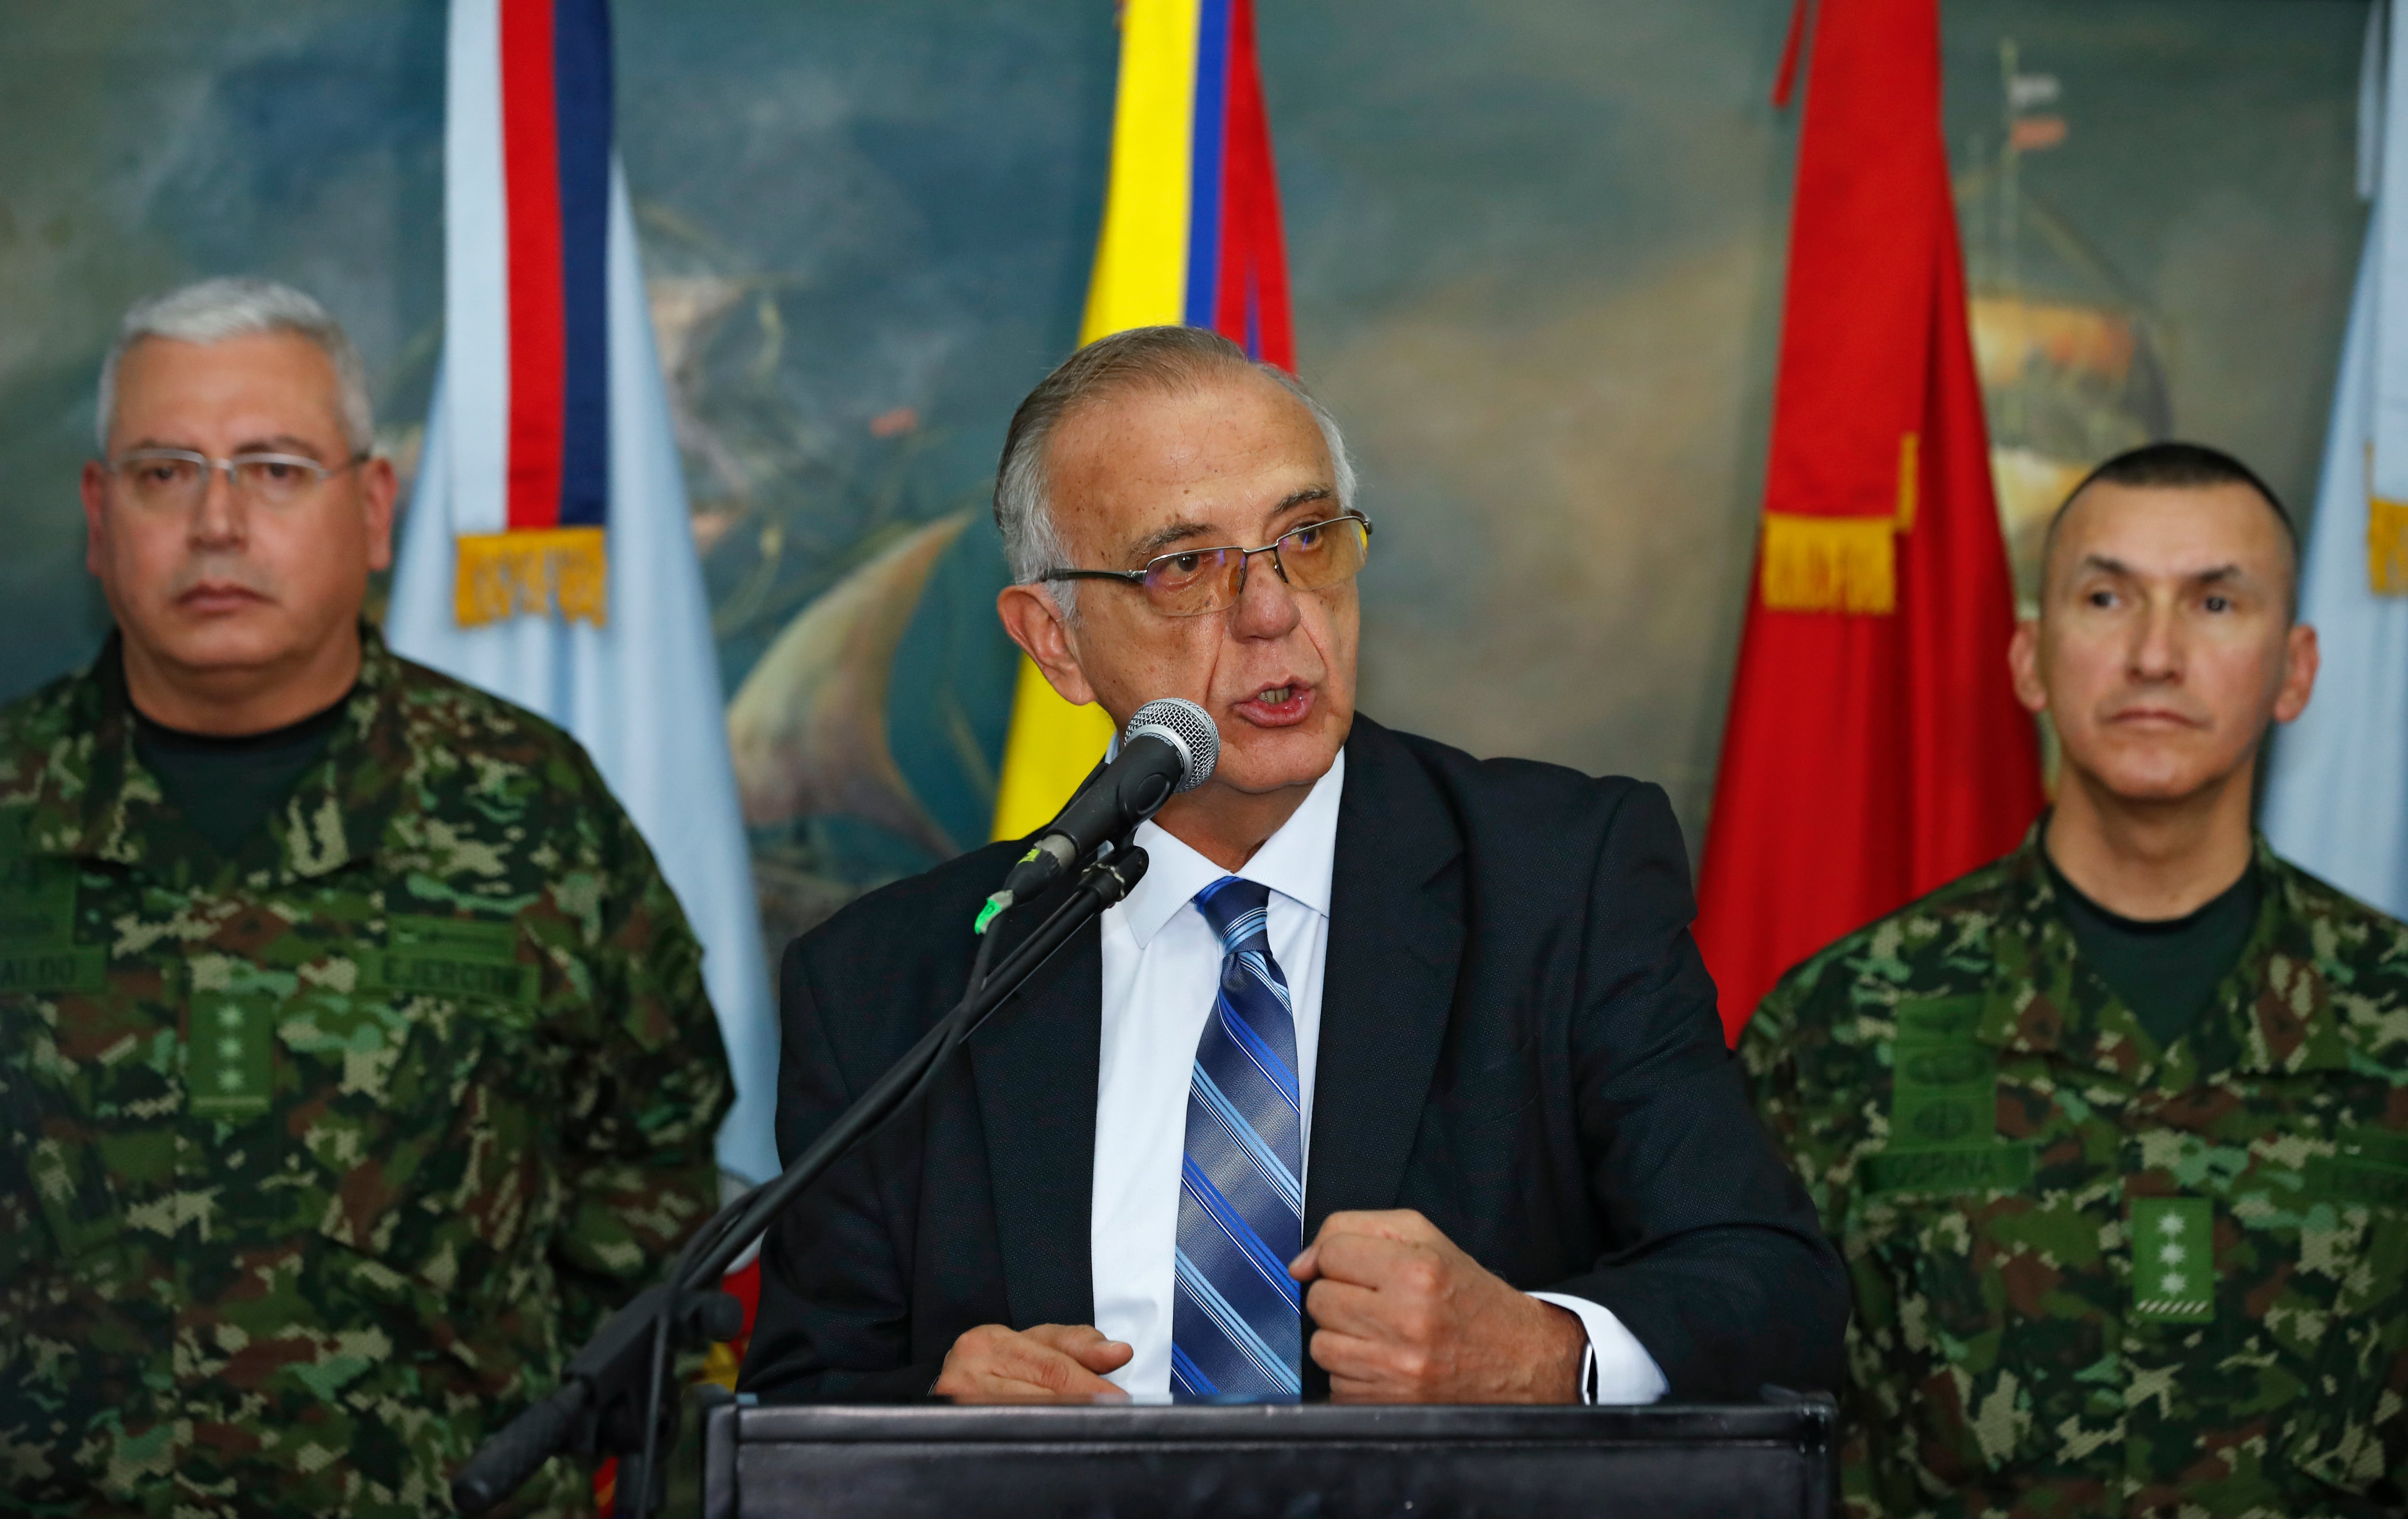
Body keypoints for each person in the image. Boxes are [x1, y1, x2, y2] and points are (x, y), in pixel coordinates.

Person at [740, 324, 1845, 1407]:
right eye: (1184, 565)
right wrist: (933, 1414)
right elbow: (797, 1403)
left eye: (1308, 538)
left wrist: (1543, 1353)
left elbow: (1773, 1287)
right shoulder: (892, 983)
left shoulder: (1559, 879)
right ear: (1054, 640)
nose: (1274, 614)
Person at [0, 278, 732, 1518]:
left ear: (374, 505)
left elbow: (651, 1212)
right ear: (96, 512)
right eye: (165, 472)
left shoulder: (530, 809)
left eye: (275, 470)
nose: (218, 522)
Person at [1745, 441, 2408, 1516]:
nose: (2154, 654)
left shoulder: (2394, 1014)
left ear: (2294, 670)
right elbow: (1757, 1429)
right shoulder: (1839, 1027)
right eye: (2106, 597)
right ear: (2028, 658)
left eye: (2214, 603)